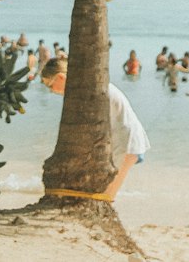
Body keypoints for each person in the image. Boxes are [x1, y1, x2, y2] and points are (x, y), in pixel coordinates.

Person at [41, 56, 150, 201]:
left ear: (61, 77)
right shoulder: (89, 85)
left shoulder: (87, 91)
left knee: (107, 194)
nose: (51, 91)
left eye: (50, 85)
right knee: (106, 193)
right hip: (124, 139)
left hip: (126, 141)